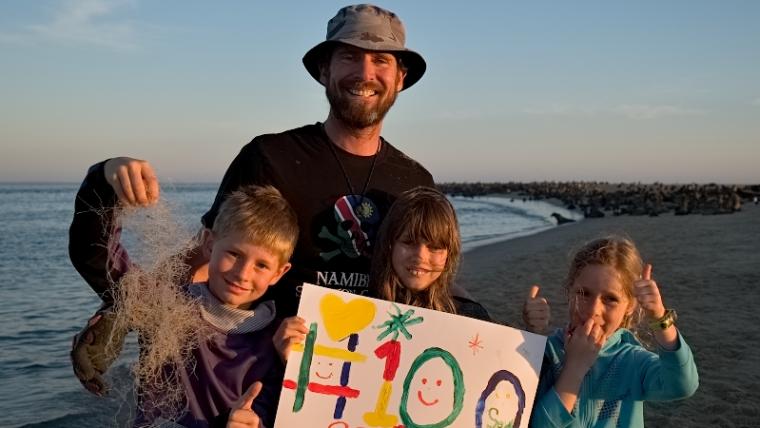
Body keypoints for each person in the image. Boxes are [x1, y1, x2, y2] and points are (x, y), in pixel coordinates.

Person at [70, 3, 440, 395]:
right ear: (324, 71)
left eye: (381, 60)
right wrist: (120, 312)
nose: (365, 73)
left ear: (399, 78)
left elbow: (434, 281)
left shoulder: (416, 181)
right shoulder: (269, 158)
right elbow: (203, 255)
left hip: (373, 383)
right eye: (349, 56)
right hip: (265, 383)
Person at [69, 165, 298, 427]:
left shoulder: (279, 341)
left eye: (261, 265)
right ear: (210, 244)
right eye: (233, 254)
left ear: (280, 273)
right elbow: (95, 255)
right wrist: (105, 177)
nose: (242, 274)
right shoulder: (165, 305)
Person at [274, 187, 490, 362]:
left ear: (449, 254)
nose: (420, 256)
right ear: (389, 245)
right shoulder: (360, 311)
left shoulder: (469, 316)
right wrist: (293, 360)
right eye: (408, 242)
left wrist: (525, 331)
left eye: (435, 247)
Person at [523, 236, 698, 427]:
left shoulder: (632, 361)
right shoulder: (549, 353)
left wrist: (659, 319)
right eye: (584, 293)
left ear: (630, 305)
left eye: (610, 299)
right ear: (569, 291)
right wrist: (533, 338)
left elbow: (682, 385)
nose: (593, 310)